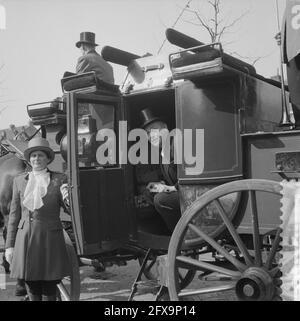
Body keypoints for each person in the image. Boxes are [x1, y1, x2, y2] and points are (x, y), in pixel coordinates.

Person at [4, 137, 70, 301]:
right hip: (25, 239)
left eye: (41, 155)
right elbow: (14, 215)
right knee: (31, 286)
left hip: (50, 239)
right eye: (33, 156)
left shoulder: (59, 179)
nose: (37, 159)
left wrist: (68, 199)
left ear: (48, 159)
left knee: (49, 287)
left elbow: (69, 211)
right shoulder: (19, 181)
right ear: (29, 159)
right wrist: (9, 246)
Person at [140, 108, 181, 232]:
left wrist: (172, 188)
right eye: (147, 133)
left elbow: (190, 175)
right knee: (149, 193)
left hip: (192, 194)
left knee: (161, 199)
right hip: (180, 192)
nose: (151, 136)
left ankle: (180, 235)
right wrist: (161, 185)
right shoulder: (162, 152)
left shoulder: (177, 143)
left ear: (165, 129)